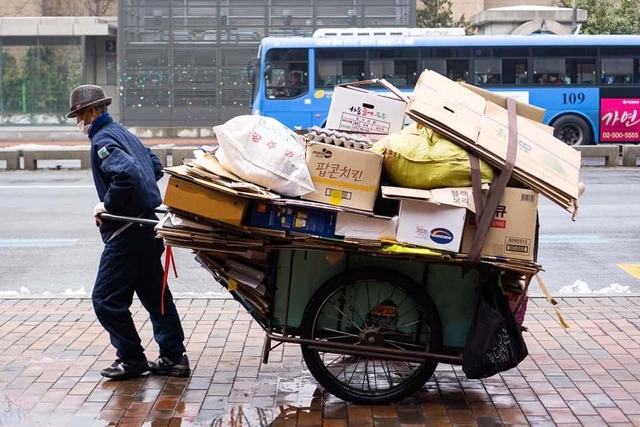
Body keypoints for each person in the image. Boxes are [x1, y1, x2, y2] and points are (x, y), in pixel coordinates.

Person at [67, 85, 190, 380]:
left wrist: (107, 205)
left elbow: (127, 174)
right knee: (154, 295)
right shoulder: (123, 132)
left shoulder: (103, 139)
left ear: (92, 111)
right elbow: (155, 166)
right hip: (147, 228)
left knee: (105, 299)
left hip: (127, 232)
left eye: (79, 115)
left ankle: (131, 358)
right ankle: (174, 357)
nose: (78, 122)